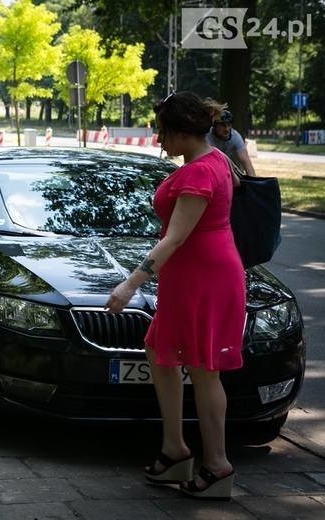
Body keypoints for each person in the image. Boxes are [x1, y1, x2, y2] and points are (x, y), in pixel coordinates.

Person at [104, 91, 245, 500]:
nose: (158, 140)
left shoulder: (201, 171)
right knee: (160, 351)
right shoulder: (213, 160)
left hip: (206, 278)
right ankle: (175, 448)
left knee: (203, 368)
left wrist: (131, 283)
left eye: (164, 132)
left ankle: (217, 466)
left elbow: (176, 238)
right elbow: (230, 184)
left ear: (184, 132)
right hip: (189, 278)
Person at [206, 110, 256, 176]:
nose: (227, 129)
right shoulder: (205, 135)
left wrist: (254, 183)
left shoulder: (235, 137)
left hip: (224, 169)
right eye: (223, 125)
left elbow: (246, 161)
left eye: (229, 125)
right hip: (206, 168)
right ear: (215, 125)